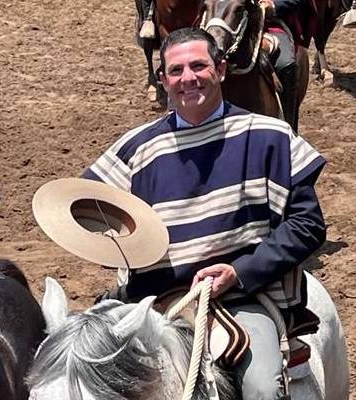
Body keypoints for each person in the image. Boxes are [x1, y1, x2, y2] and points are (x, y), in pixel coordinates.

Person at [84, 28, 326, 400]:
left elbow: (307, 226)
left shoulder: (269, 136)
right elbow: (87, 212)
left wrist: (239, 272)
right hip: (153, 304)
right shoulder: (135, 150)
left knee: (262, 388)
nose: (188, 78)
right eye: (176, 71)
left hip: (241, 299)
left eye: (199, 66)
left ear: (222, 70)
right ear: (163, 80)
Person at [260, 0, 312, 131]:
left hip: (272, 25)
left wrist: (273, 5)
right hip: (231, 24)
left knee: (285, 63)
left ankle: (287, 127)